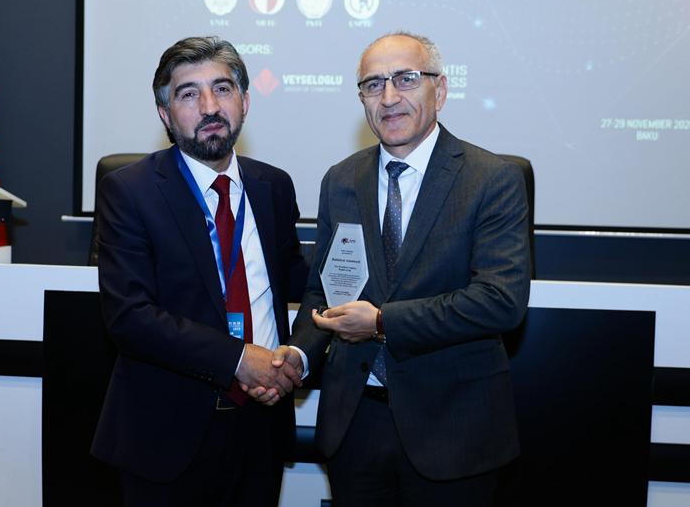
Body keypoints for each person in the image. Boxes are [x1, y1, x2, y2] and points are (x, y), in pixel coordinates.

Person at [276, 32, 531, 505]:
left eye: (406, 79)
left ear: (441, 89)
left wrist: (380, 323)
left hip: (453, 427)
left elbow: (500, 301)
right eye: (373, 84)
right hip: (355, 425)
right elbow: (324, 291)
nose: (389, 97)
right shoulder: (341, 180)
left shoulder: (492, 179)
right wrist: (299, 355)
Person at [91, 36, 309, 507]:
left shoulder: (273, 185)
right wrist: (238, 358)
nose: (210, 106)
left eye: (222, 89)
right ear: (165, 114)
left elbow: (296, 282)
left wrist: (291, 357)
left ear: (245, 101)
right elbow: (130, 317)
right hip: (168, 434)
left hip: (261, 424)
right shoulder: (129, 191)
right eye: (189, 94)